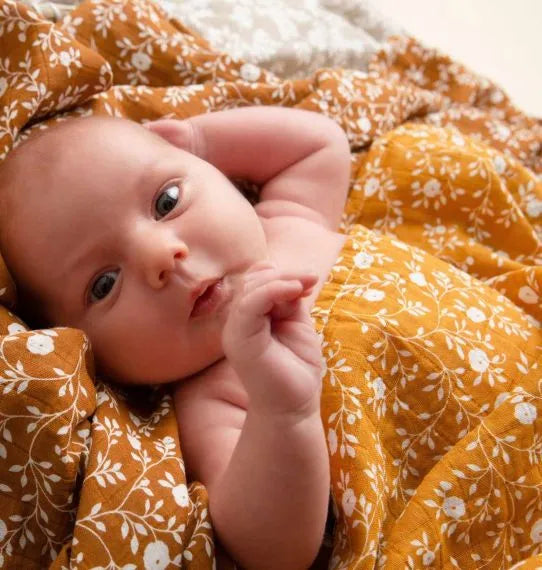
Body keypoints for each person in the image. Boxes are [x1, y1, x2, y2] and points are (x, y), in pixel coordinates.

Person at [0, 106, 351, 568]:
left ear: (214, 172)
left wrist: (200, 138)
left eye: (166, 202)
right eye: (104, 284)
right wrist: (285, 409)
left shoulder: (291, 220)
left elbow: (321, 143)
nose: (161, 255)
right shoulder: (214, 400)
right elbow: (275, 550)